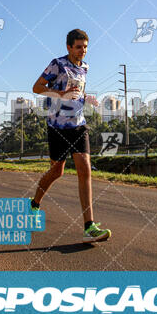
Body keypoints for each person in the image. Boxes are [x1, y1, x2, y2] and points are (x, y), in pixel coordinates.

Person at [31, 29, 111, 243]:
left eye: (85, 47)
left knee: (84, 169)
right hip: (57, 126)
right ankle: (35, 203)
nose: (82, 51)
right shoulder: (57, 64)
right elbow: (37, 87)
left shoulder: (85, 68)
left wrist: (86, 98)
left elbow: (77, 90)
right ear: (69, 47)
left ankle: (89, 226)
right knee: (56, 171)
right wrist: (60, 95)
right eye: (78, 47)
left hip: (78, 125)